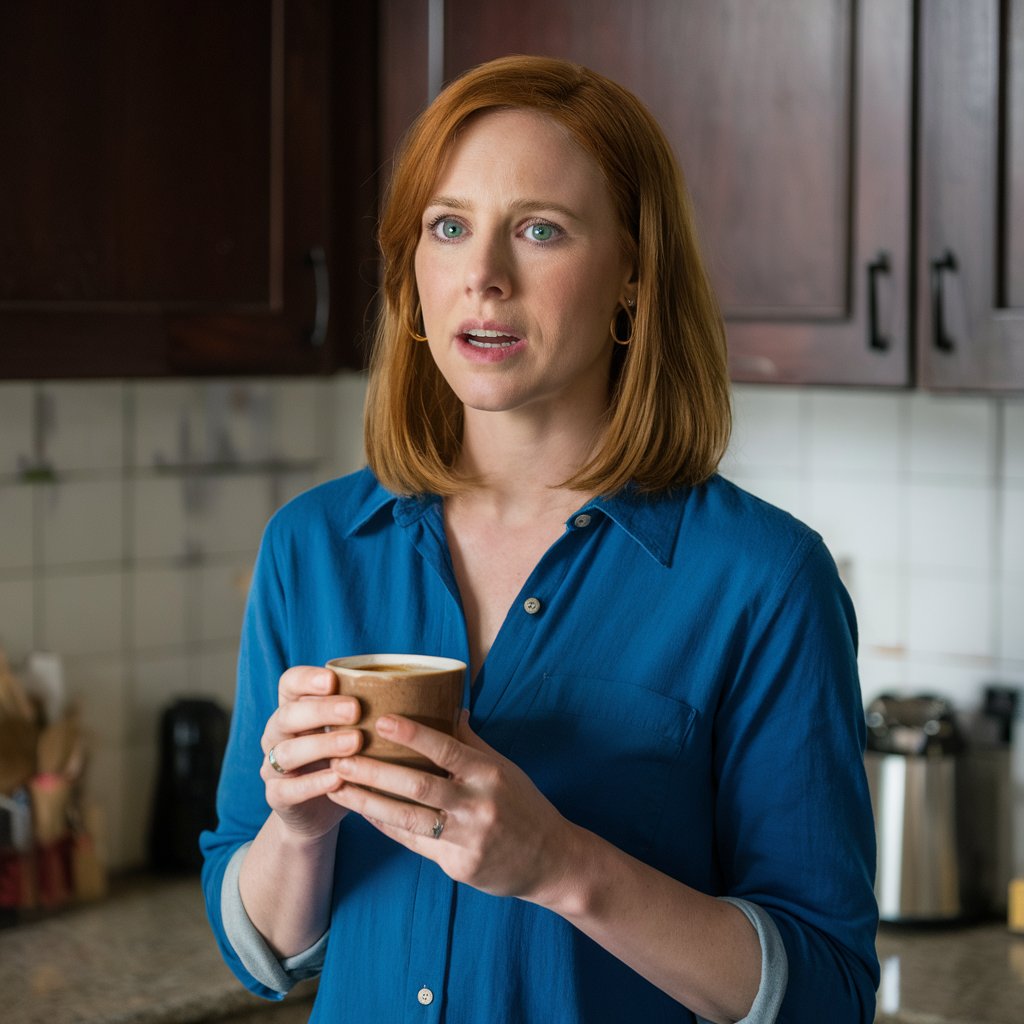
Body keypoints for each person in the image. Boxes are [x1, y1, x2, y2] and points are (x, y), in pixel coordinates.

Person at [200, 55, 879, 1023]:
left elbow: (826, 992)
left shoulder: (764, 582)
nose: (483, 276)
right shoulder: (310, 548)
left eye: (538, 229)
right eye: (448, 227)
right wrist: (298, 830)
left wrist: (561, 864)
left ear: (633, 274)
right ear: (411, 277)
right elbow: (257, 950)